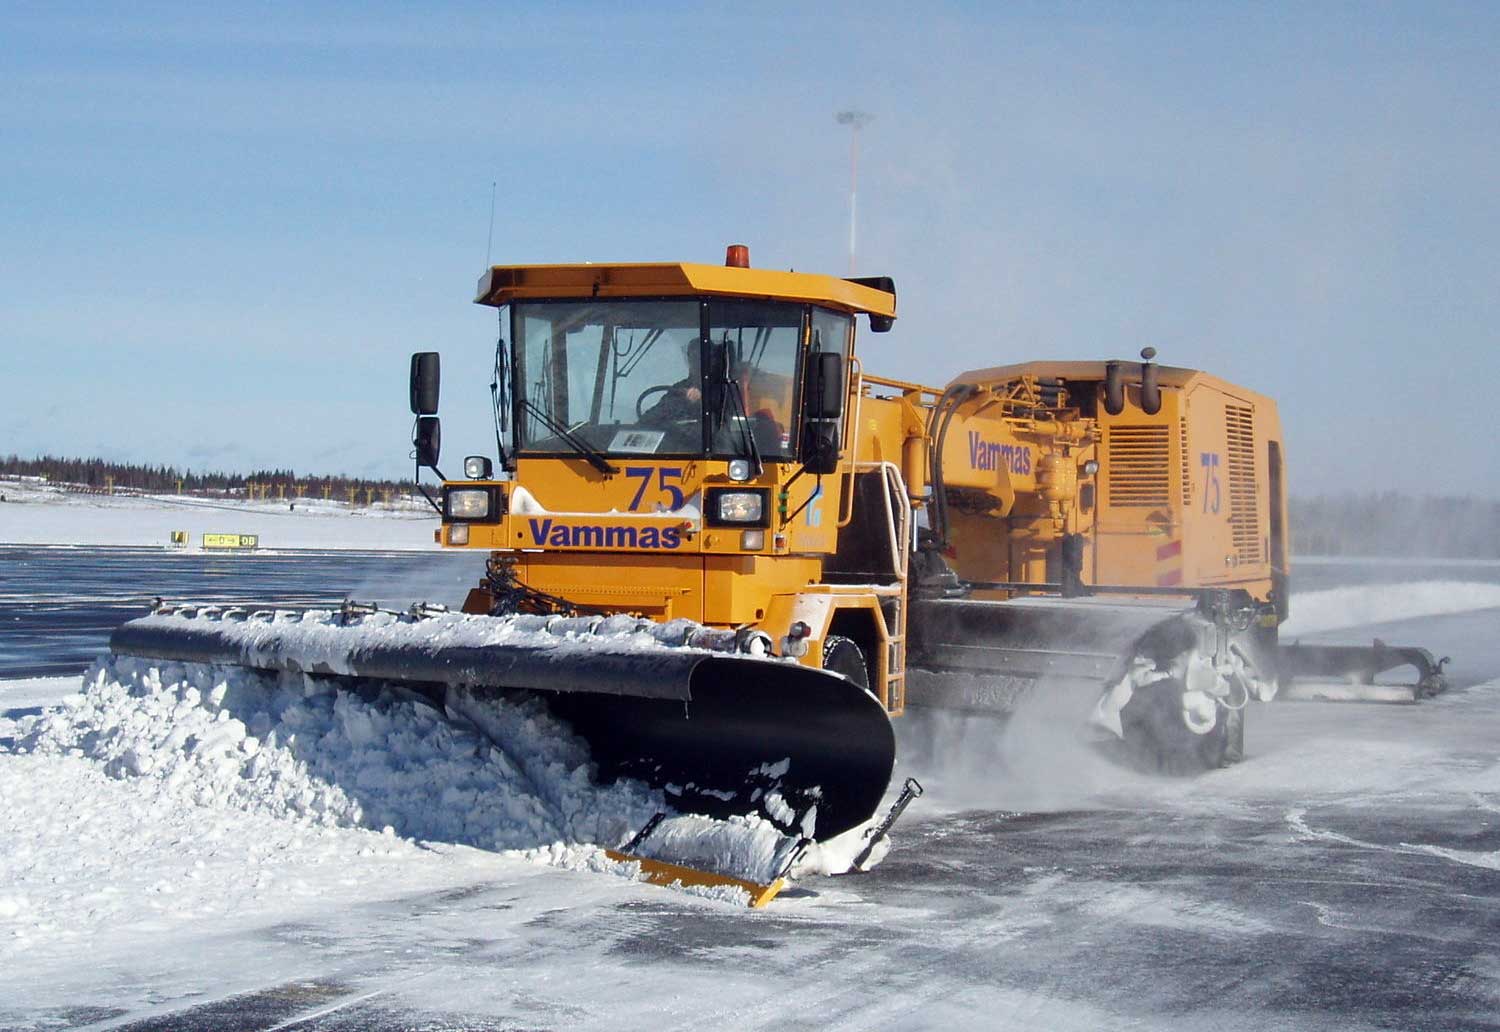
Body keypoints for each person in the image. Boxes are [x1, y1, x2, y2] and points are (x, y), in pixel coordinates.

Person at [640, 336, 703, 425]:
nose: (695, 361)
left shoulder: (723, 389)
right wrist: (641, 424)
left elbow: (722, 420)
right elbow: (661, 409)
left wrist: (700, 400)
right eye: (692, 356)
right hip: (674, 436)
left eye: (699, 357)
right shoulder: (679, 388)